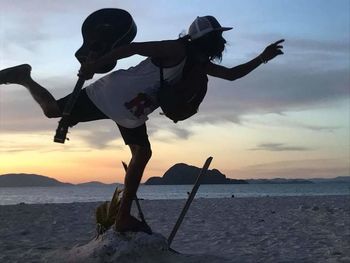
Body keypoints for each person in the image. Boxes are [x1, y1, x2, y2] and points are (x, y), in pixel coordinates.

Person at [0, 16, 284, 233]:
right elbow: (132, 48)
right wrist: (96, 63)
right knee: (52, 112)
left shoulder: (197, 64)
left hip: (129, 111)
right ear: (203, 40)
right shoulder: (175, 49)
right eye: (216, 37)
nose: (220, 42)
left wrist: (262, 58)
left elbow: (232, 75)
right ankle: (24, 77)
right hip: (110, 93)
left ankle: (122, 217)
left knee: (141, 153)